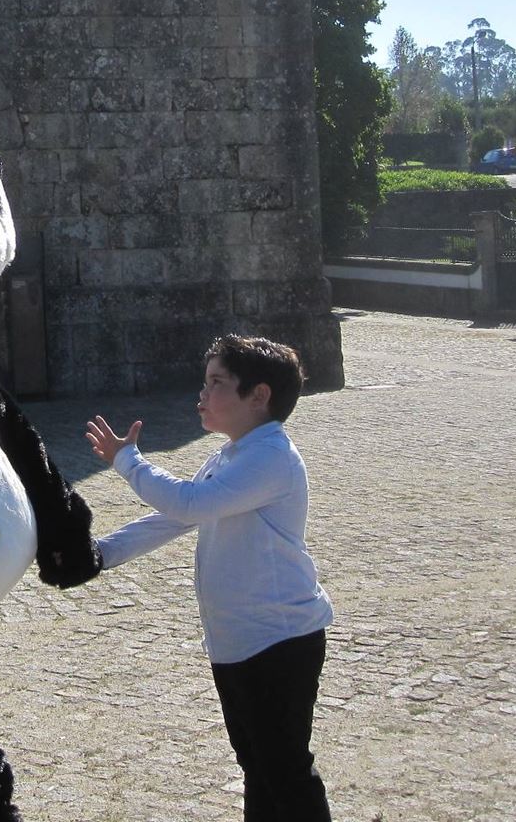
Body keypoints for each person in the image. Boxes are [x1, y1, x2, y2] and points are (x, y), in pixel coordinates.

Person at [85, 334, 334, 821]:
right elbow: (176, 518)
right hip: (238, 641)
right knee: (258, 767)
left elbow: (189, 503)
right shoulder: (231, 456)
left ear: (258, 397)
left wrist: (127, 460)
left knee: (284, 769)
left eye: (216, 383)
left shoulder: (271, 456)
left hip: (280, 638)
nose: (202, 395)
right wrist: (99, 555)